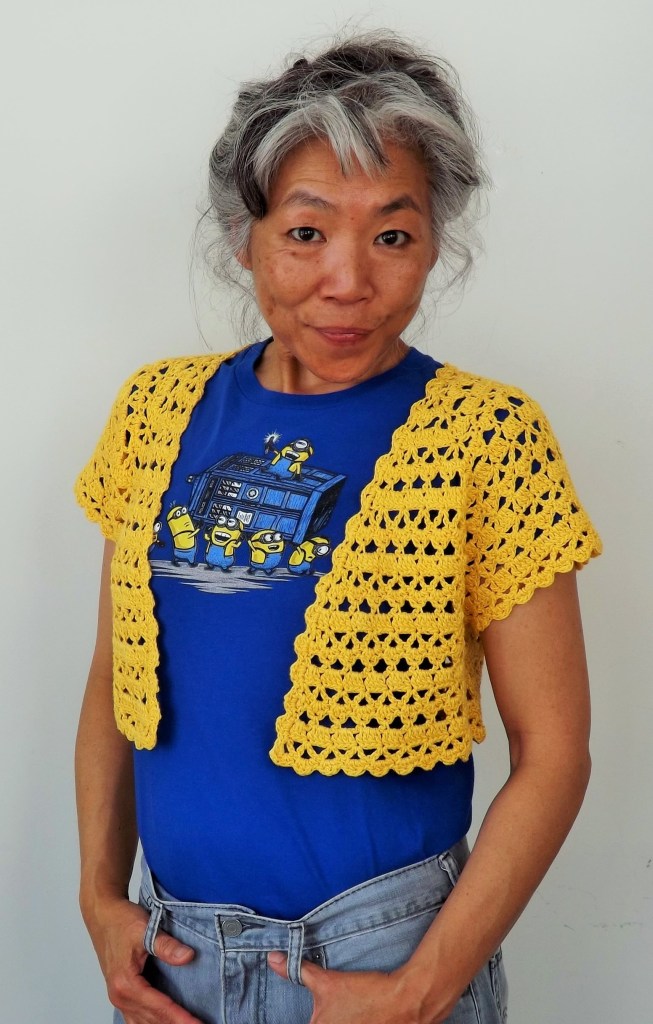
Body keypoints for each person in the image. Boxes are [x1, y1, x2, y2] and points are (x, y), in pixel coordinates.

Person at [74, 30, 602, 1024]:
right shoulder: (156, 412)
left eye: (391, 236)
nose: (349, 281)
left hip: (383, 955)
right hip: (171, 962)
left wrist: (420, 988)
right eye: (306, 232)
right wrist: (99, 898)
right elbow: (116, 685)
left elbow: (554, 752)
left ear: (435, 243)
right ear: (245, 237)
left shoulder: (486, 438)